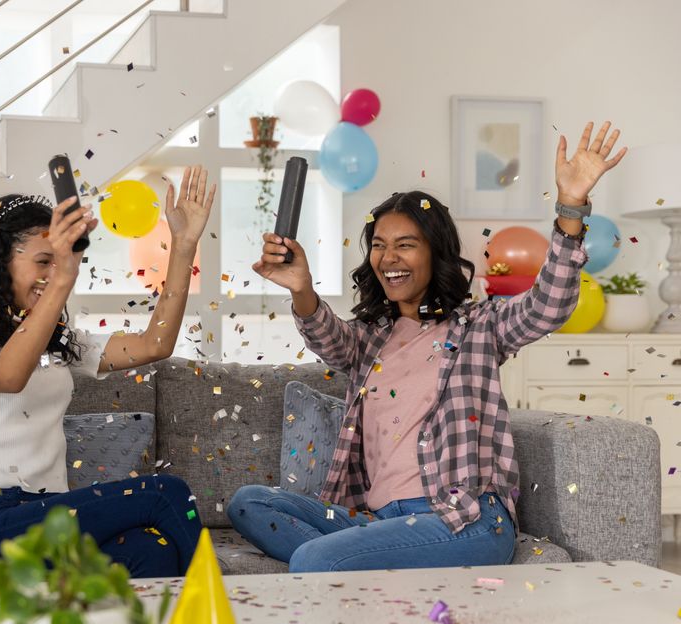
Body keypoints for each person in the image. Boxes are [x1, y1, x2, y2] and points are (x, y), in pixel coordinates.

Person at [229, 121, 626, 573]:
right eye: (379, 246)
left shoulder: (480, 327)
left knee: (313, 557)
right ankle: (369, 559)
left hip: (463, 520)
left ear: (435, 253)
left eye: (405, 245)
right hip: (378, 520)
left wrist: (570, 207)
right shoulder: (370, 339)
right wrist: (301, 287)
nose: (389, 258)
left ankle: (344, 560)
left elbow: (548, 306)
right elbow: (327, 336)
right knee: (250, 503)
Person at [0, 166, 217, 578]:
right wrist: (64, 274)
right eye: (43, 261)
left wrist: (184, 245)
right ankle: (222, 612)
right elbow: (7, 376)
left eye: (58, 262)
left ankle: (138, 623)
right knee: (165, 492)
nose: (53, 274)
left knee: (155, 550)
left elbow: (155, 344)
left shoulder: (58, 341)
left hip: (54, 514)